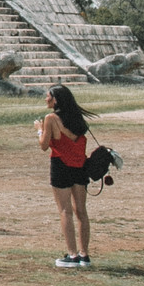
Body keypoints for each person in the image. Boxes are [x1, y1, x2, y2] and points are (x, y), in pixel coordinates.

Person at [38, 84, 97, 268]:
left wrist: (39, 129)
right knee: (81, 211)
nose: (46, 99)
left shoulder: (51, 119)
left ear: (56, 99)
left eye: (48, 96)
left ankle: (72, 255)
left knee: (65, 211)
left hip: (61, 165)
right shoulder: (77, 117)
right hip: (79, 166)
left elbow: (44, 145)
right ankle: (84, 254)